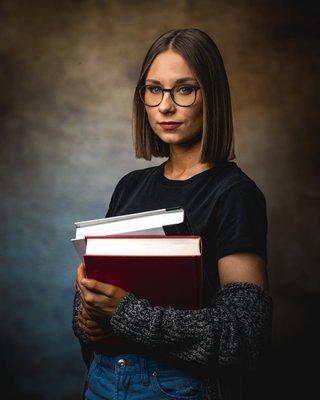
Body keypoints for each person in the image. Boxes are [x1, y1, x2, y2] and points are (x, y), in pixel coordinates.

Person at [72, 28, 273, 400]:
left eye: (184, 89)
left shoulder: (234, 194)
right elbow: (102, 294)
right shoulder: (129, 186)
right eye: (154, 89)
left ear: (210, 95)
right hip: (103, 380)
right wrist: (88, 317)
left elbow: (243, 333)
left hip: (176, 386)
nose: (165, 106)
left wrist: (127, 314)